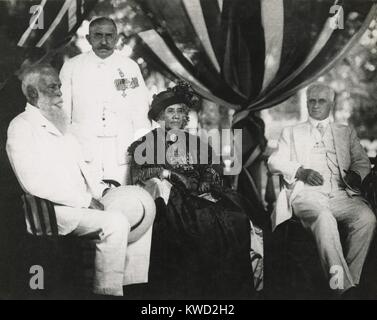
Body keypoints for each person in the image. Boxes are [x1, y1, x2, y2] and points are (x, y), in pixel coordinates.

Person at [6, 63, 155, 297]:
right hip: (51, 211)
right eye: (51, 87)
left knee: (141, 205)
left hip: (82, 204)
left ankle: (131, 283)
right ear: (33, 94)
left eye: (59, 86)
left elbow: (84, 170)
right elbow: (32, 183)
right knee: (114, 223)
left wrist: (104, 191)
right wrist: (85, 200)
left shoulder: (62, 124)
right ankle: (107, 291)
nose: (59, 93)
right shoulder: (21, 126)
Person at [128, 82, 255, 299]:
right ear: (159, 116)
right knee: (203, 221)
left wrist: (207, 178)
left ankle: (230, 291)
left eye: (180, 111)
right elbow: (139, 174)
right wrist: (170, 174)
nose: (176, 116)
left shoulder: (195, 141)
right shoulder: (146, 142)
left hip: (203, 192)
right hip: (174, 197)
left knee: (237, 216)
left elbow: (211, 167)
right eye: (170, 111)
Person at [268, 82, 376, 297]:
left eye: (321, 101)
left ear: (331, 104)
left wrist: (355, 174)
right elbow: (274, 161)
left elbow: (362, 162)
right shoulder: (292, 132)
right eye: (311, 101)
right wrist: (300, 171)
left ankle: (350, 282)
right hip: (307, 194)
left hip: (341, 194)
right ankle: (342, 287)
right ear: (307, 103)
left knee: (367, 218)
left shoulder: (345, 132)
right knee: (324, 218)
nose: (316, 105)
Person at [60, 17, 151, 185]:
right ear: (88, 38)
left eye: (109, 36)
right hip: (84, 147)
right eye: (98, 35)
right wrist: (67, 147)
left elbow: (140, 111)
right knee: (89, 198)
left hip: (121, 148)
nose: (104, 41)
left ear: (116, 38)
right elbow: (63, 112)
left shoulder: (130, 67)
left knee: (122, 197)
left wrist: (142, 149)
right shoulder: (72, 67)